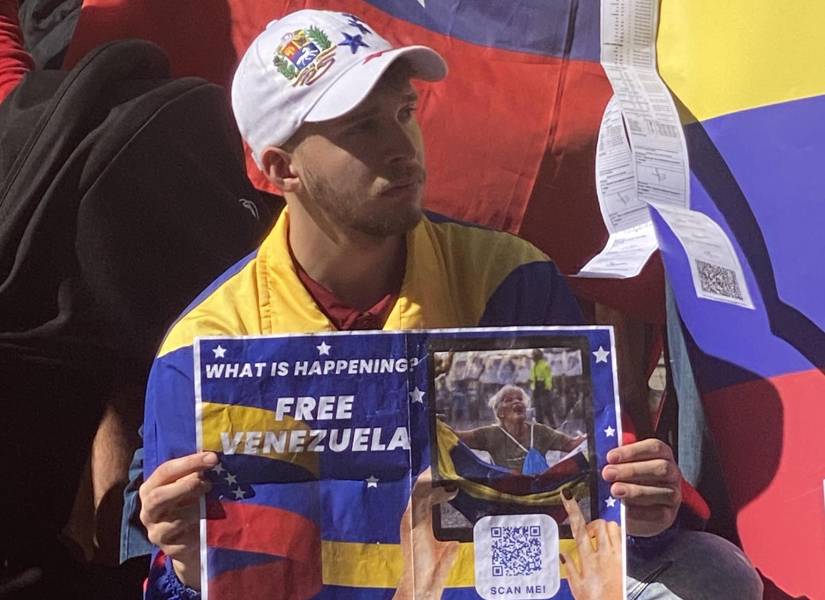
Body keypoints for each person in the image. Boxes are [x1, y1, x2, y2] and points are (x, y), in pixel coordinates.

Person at [133, 9, 763, 599]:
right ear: (279, 167)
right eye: (362, 127)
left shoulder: (508, 277)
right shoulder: (203, 349)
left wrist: (639, 509)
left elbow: (584, 524)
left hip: (497, 583)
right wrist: (191, 569)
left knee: (712, 571)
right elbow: (182, 580)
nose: (403, 146)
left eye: (404, 112)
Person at [453, 384, 584, 473]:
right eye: (508, 400)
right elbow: (455, 438)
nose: (517, 402)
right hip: (506, 497)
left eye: (519, 399)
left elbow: (571, 444)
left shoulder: (539, 432)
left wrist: (596, 434)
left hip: (540, 495)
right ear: (500, 413)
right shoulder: (491, 434)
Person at [528, 348, 554, 425]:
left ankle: (553, 426)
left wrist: (547, 388)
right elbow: (532, 377)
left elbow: (548, 377)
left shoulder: (545, 365)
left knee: (547, 410)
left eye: (534, 355)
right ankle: (541, 427)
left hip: (543, 389)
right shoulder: (533, 366)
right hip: (535, 390)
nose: (532, 357)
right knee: (538, 411)